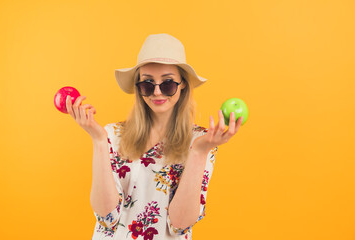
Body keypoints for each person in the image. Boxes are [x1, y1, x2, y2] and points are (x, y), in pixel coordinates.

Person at [66, 33, 243, 240]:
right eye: (148, 84)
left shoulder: (201, 141)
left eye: (167, 83)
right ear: (139, 87)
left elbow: (179, 226)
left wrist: (198, 152)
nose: (157, 92)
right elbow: (106, 218)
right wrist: (98, 141)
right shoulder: (112, 135)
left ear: (183, 84)